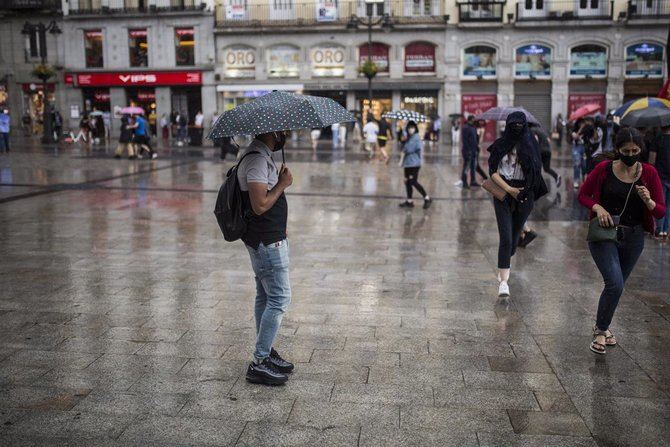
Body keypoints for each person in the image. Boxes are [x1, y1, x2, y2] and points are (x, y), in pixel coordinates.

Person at [578, 128, 666, 354]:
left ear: (641, 150)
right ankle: (600, 330)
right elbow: (583, 195)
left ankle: (604, 327)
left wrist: (649, 202)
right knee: (614, 283)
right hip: (604, 235)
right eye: (626, 150)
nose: (631, 154)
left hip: (634, 238)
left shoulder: (649, 173)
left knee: (617, 286)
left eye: (635, 150)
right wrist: (597, 207)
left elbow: (661, 212)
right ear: (618, 149)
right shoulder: (603, 170)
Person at [237, 130, 294, 385]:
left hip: (267, 237)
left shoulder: (261, 155)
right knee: (280, 297)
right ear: (273, 131)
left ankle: (266, 350)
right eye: (284, 131)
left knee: (265, 295)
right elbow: (259, 205)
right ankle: (259, 362)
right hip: (266, 241)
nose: (287, 134)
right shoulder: (257, 160)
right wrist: (283, 184)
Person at [488, 111, 548, 297]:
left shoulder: (531, 145)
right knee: (505, 237)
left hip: (524, 195)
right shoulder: (500, 145)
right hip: (503, 193)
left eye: (519, 125)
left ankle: (509, 255)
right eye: (513, 125)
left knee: (513, 240)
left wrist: (524, 190)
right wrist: (508, 189)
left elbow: (537, 171)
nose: (516, 128)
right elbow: (492, 172)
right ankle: (504, 282)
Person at [398, 120, 432, 209]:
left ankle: (427, 198)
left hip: (414, 164)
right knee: (407, 182)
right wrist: (402, 140)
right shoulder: (409, 137)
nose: (410, 130)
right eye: (409, 128)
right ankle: (409, 201)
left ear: (415, 128)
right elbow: (402, 148)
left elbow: (408, 149)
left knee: (413, 181)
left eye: (412, 128)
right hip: (407, 164)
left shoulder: (416, 138)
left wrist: (404, 143)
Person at [649, 124, 670, 238]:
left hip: (660, 177)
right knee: (669, 205)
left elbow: (652, 160)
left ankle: (659, 229)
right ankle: (666, 230)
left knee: (660, 203)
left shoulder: (657, 140)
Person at [460, 115, 479, 189]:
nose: (475, 121)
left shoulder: (473, 127)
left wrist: (477, 147)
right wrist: (468, 150)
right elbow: (465, 141)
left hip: (474, 150)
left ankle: (473, 181)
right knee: (466, 167)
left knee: (473, 166)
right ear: (470, 120)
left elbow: (474, 139)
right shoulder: (466, 128)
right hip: (468, 151)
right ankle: (464, 182)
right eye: (474, 119)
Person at [571, 119, 588, 188]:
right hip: (576, 148)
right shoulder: (574, 131)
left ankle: (584, 179)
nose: (582, 124)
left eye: (583, 123)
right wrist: (581, 128)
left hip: (585, 149)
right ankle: (576, 180)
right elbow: (575, 137)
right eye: (580, 123)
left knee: (584, 165)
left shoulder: (587, 131)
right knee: (577, 164)